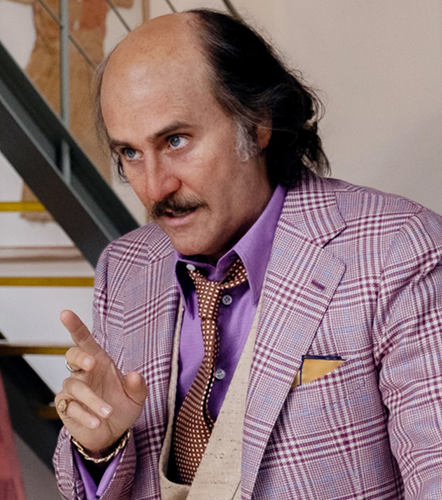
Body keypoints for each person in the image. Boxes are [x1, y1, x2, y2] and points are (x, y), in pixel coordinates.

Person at [53, 9, 442, 500]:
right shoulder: (125, 266)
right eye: (129, 153)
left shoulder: (399, 250)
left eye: (175, 141)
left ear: (257, 123)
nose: (154, 187)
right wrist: (100, 447)